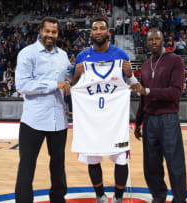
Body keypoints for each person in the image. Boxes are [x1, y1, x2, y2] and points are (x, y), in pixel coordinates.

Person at [71, 17, 138, 203]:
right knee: (93, 159)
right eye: (95, 29)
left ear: (108, 32)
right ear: (90, 33)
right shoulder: (82, 58)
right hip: (91, 121)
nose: (99, 31)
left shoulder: (121, 56)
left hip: (115, 120)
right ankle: (100, 195)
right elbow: (73, 87)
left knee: (121, 160)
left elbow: (132, 85)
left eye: (102, 28)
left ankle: (118, 197)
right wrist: (76, 76)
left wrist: (130, 75)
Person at [14, 16, 72, 203]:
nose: (50, 35)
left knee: (58, 165)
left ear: (57, 33)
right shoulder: (27, 53)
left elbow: (70, 78)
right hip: (34, 120)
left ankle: (58, 199)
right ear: (40, 30)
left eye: (54, 32)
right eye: (47, 31)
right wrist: (54, 84)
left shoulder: (63, 55)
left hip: (59, 120)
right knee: (27, 166)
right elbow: (22, 85)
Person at [131, 28, 187, 203]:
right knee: (151, 164)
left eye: (156, 39)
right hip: (149, 119)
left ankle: (179, 199)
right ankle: (158, 196)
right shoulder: (146, 65)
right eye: (150, 40)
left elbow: (175, 92)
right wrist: (138, 122)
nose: (153, 42)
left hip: (168, 117)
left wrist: (147, 90)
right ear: (146, 43)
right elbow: (143, 97)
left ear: (163, 41)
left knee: (174, 163)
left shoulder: (175, 60)